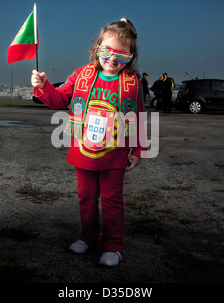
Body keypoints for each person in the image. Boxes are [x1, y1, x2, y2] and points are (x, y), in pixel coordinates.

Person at [31, 18, 146, 267]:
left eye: (121, 55)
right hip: (83, 151)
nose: (112, 59)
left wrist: (138, 149)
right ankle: (88, 237)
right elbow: (59, 99)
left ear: (131, 56)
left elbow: (138, 116)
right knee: (86, 198)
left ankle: (113, 245)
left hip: (114, 154)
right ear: (97, 49)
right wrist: (43, 86)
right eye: (106, 51)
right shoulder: (82, 74)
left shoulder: (132, 83)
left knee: (112, 201)